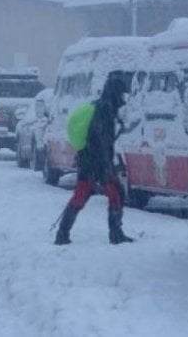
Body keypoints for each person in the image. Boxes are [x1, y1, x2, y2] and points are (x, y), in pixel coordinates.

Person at [55, 75, 134, 245]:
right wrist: (104, 168)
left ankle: (63, 233)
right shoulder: (104, 112)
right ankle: (115, 234)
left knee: (84, 196)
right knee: (115, 194)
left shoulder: (104, 108)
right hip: (96, 163)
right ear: (116, 94)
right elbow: (100, 142)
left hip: (90, 161)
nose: (123, 98)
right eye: (122, 94)